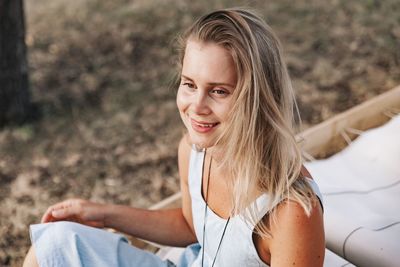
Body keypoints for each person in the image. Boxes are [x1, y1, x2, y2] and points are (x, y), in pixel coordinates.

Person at [23, 8, 325, 267]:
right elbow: (191, 226)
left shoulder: (292, 212)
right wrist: (102, 214)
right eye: (190, 84)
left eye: (219, 91)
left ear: (258, 98)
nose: (196, 107)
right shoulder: (195, 151)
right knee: (53, 245)